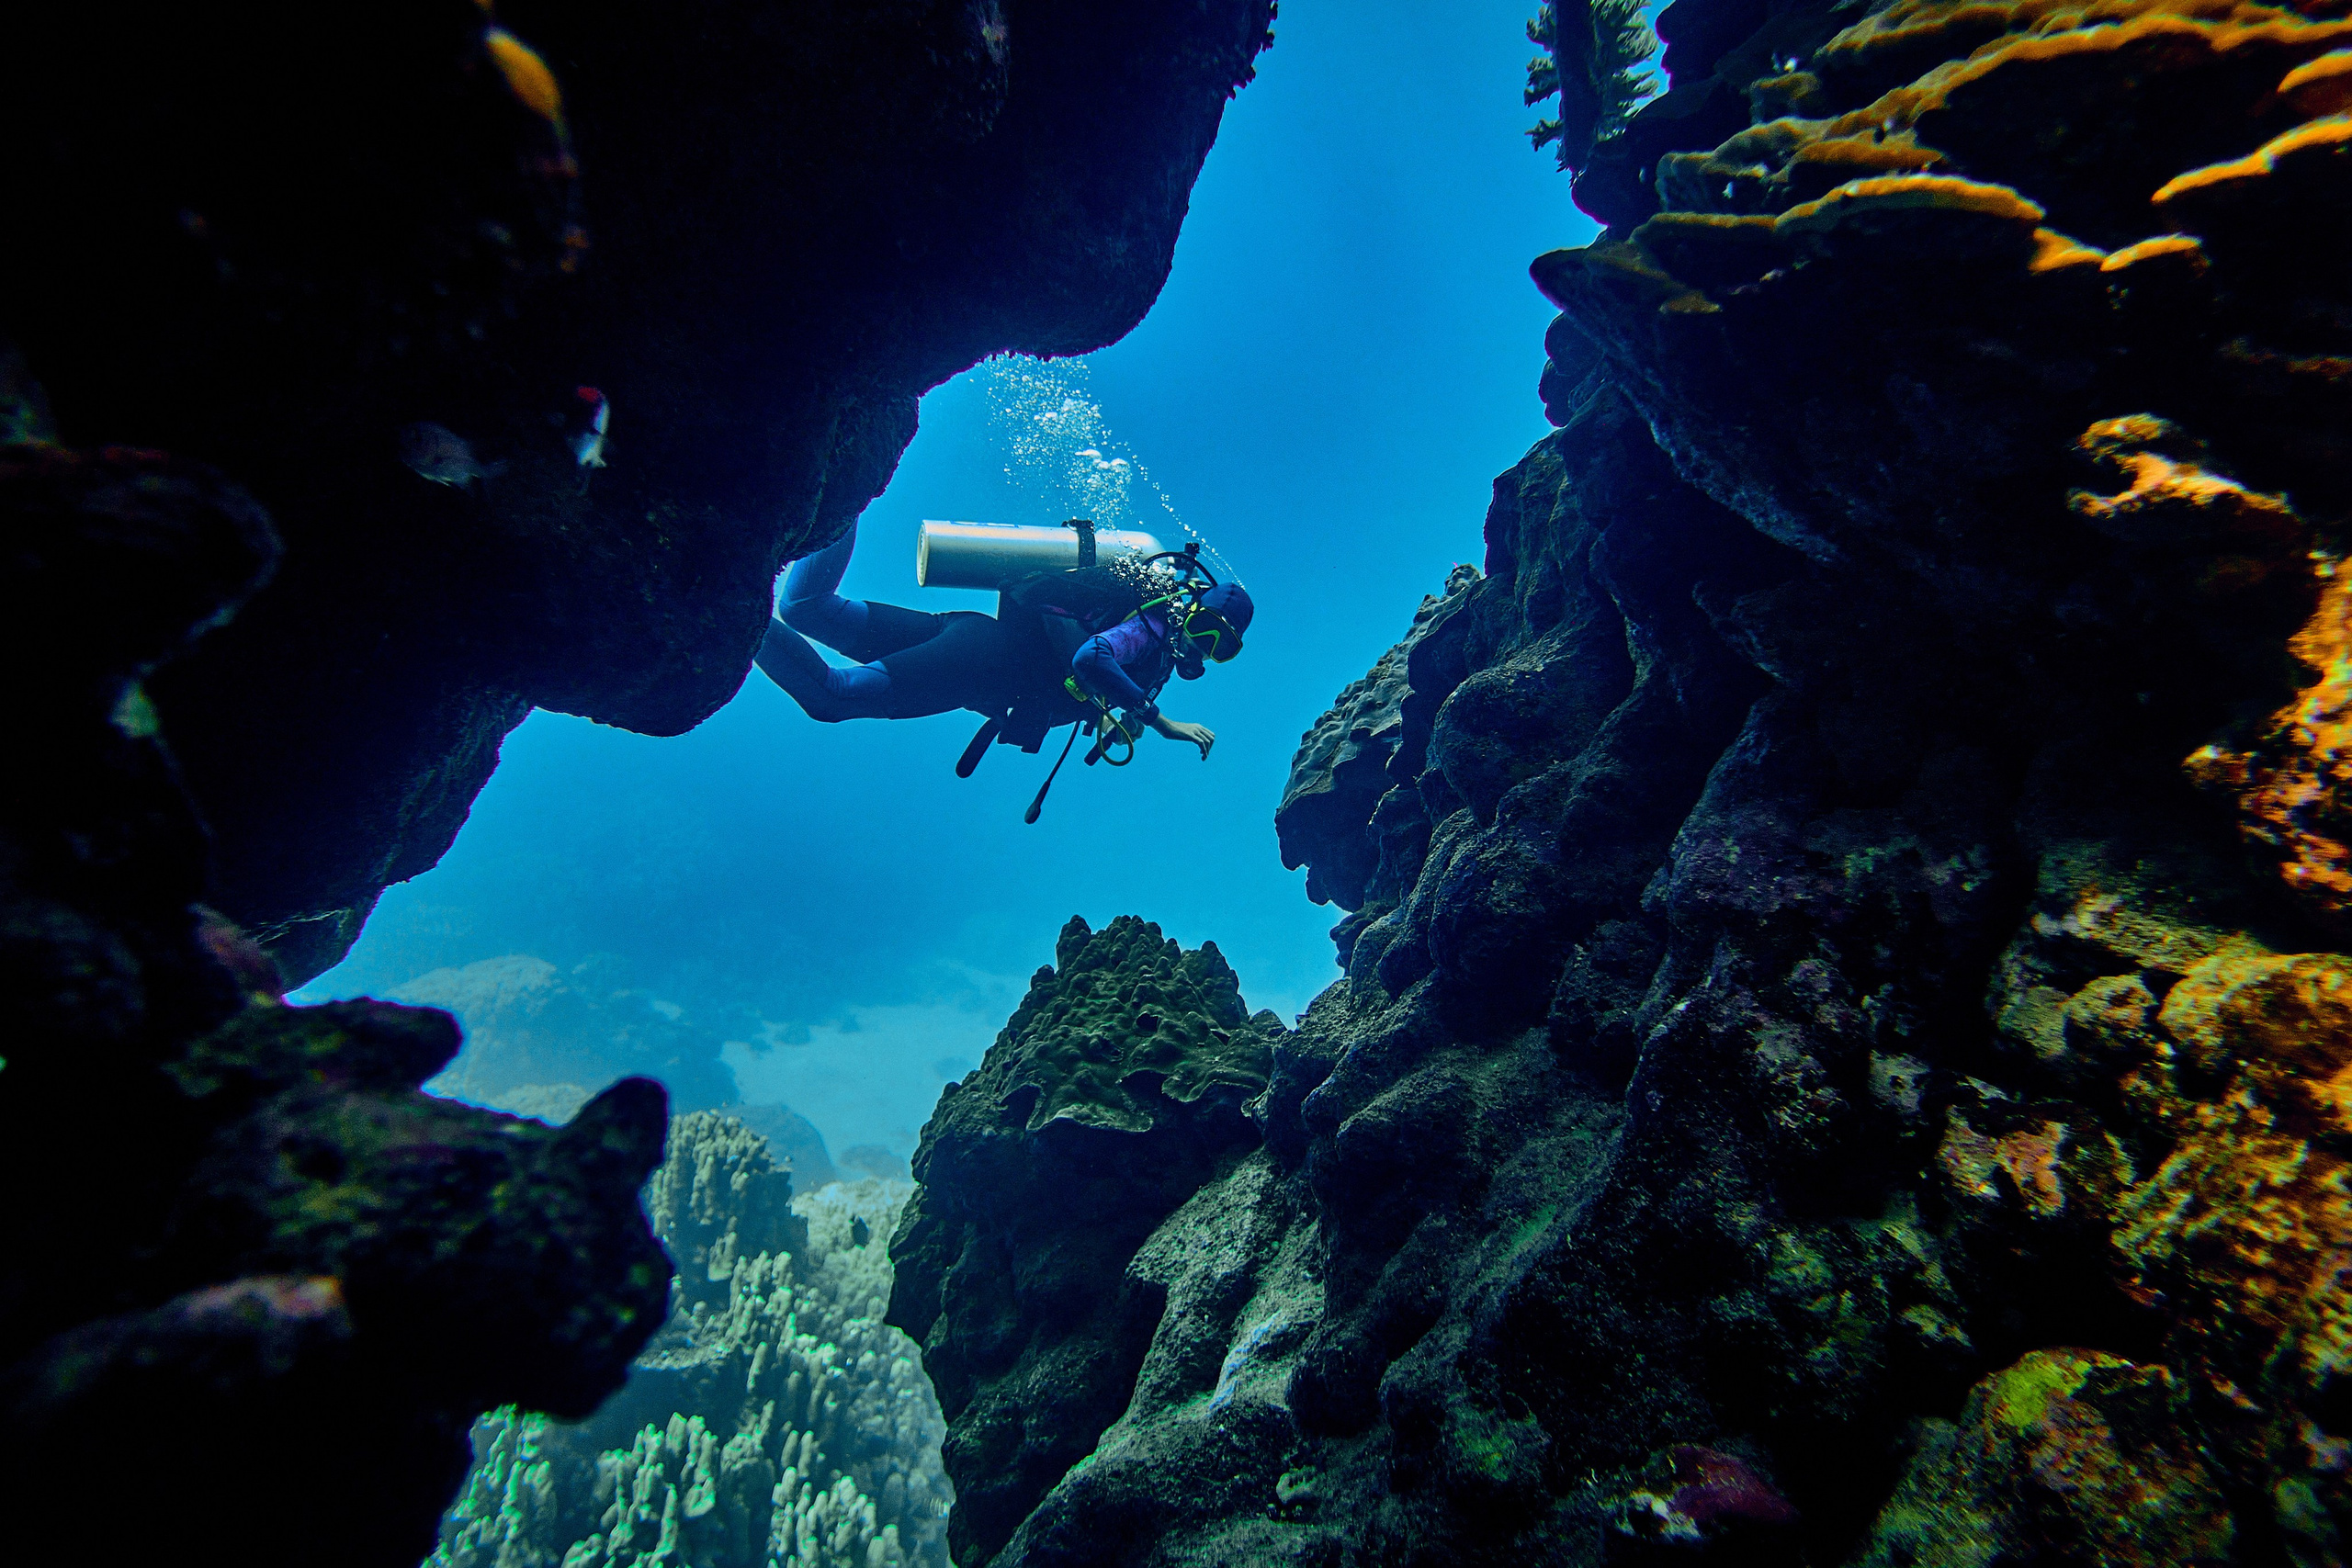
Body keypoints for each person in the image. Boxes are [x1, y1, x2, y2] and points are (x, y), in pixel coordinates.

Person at [755, 520, 1251, 761]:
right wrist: (1159, 720)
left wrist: (1109, 711)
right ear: (1194, 607)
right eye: (1206, 630)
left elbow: (1081, 661)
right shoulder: (1153, 627)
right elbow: (1090, 656)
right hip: (980, 665)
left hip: (973, 637)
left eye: (1218, 647)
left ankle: (843, 499)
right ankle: (727, 598)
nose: (1202, 647)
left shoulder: (1148, 635)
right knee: (830, 696)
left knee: (804, 607)